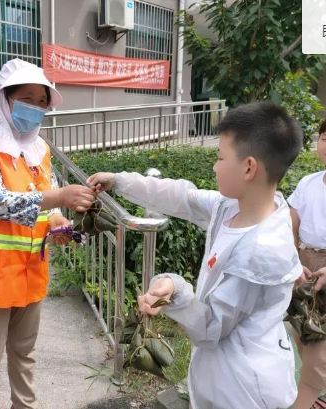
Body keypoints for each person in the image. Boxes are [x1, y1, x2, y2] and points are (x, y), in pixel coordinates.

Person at [87, 102, 303, 409]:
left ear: (249, 167)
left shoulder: (261, 252)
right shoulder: (236, 207)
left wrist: (173, 289)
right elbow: (181, 197)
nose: (214, 166)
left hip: (243, 390)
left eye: (219, 157)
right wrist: (120, 181)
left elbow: (211, 328)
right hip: (221, 377)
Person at [0, 58, 95, 409]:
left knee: (24, 355)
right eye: (27, 99)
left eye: (42, 102)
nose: (36, 108)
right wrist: (59, 198)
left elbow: (45, 201)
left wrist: (57, 221)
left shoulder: (39, 150)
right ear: (5, 98)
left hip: (29, 274)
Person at [288, 119, 326, 409]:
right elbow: (292, 226)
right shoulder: (308, 182)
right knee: (301, 328)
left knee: (321, 344)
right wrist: (293, 260)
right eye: (324, 138)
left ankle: (311, 392)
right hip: (303, 261)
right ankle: (311, 392)